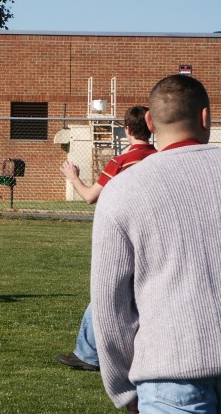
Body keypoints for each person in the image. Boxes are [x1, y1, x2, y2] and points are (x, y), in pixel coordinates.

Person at [91, 74, 221, 413]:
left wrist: (122, 388)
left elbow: (109, 304)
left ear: (149, 121)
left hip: (169, 372)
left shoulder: (123, 189)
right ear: (206, 117)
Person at [56, 106, 156, 371]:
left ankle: (89, 354)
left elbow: (91, 196)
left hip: (126, 236)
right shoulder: (160, 158)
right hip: (156, 235)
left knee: (107, 293)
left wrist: (73, 176)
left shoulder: (122, 161)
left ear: (126, 130)